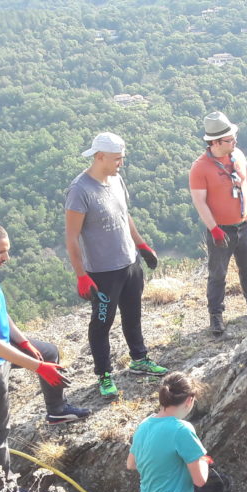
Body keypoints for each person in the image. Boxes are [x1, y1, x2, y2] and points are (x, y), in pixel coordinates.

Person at [0, 221, 88, 481]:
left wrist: (24, 343)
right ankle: (2, 487)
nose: (6, 258)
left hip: (1, 347)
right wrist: (38, 368)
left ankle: (56, 410)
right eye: (0, 252)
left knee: (47, 352)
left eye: (6, 251)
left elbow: (0, 311)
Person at [64, 131, 168, 398]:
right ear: (99, 157)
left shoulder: (116, 180)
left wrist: (142, 246)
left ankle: (139, 359)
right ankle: (104, 374)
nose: (121, 163)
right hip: (102, 272)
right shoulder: (80, 190)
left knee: (133, 314)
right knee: (102, 323)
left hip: (129, 263)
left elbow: (125, 216)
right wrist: (81, 275)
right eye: (117, 158)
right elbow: (72, 237)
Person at [189, 111, 247, 336]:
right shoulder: (200, 168)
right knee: (218, 274)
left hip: (244, 224)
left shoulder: (238, 155)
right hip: (221, 229)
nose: (234, 141)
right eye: (229, 139)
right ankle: (216, 317)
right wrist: (214, 229)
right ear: (215, 142)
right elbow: (199, 202)